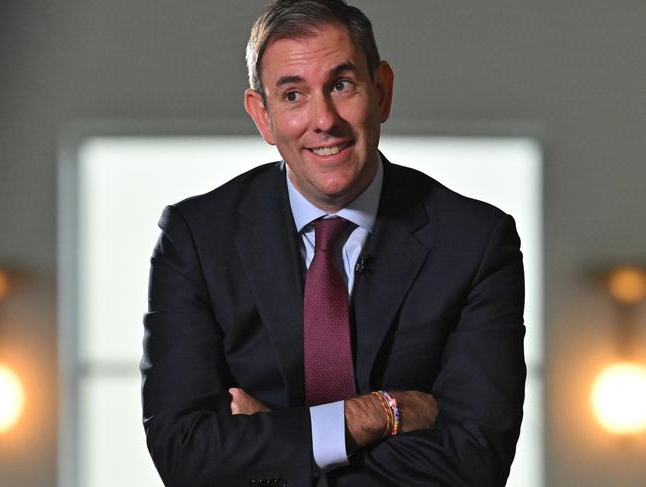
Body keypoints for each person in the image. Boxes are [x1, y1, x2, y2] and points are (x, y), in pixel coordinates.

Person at [140, 1, 526, 486]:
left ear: (381, 91)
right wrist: (373, 415)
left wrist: (274, 441)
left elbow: (475, 462)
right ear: (263, 117)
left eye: (341, 85)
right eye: (293, 95)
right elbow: (185, 454)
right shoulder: (195, 237)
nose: (323, 120)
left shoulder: (476, 242)